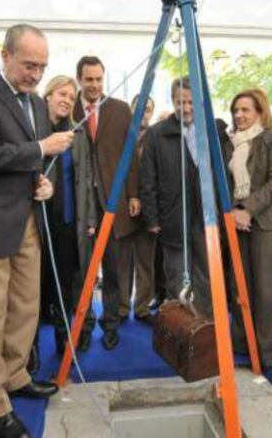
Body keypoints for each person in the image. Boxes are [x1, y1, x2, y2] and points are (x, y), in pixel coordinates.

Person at [0, 24, 74, 437]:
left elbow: (29, 163)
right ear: (5, 56)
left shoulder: (37, 105)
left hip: (27, 218)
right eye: (28, 65)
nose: (36, 75)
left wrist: (43, 181)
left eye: (42, 67)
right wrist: (42, 149)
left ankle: (14, 376)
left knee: (25, 306)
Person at [140, 76, 231, 318]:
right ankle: (180, 331)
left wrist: (224, 214)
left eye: (191, 102)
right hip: (173, 217)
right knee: (177, 277)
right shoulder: (156, 135)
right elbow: (147, 180)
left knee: (207, 276)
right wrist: (152, 219)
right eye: (181, 102)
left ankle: (205, 330)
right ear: (172, 101)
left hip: (206, 218)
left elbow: (224, 176)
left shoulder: (214, 132)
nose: (187, 108)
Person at [73, 55, 140, 350]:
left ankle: (110, 324)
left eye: (99, 79)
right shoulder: (68, 108)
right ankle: (83, 326)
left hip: (114, 202)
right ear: (79, 80)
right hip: (80, 206)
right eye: (89, 79)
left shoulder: (121, 110)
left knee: (114, 268)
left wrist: (134, 193)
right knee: (83, 270)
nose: (95, 85)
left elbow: (132, 156)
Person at [226, 89, 272, 370]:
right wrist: (234, 211)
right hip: (238, 220)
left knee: (267, 290)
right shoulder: (231, 143)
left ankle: (268, 353)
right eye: (236, 110)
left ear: (260, 112)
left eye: (246, 110)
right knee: (240, 285)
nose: (240, 115)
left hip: (267, 220)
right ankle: (242, 343)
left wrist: (248, 210)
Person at [40, 75, 98, 354]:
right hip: (36, 222)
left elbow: (85, 179)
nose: (66, 100)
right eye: (61, 94)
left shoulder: (78, 133)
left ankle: (69, 336)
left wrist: (89, 220)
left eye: (71, 97)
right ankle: (32, 348)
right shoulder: (32, 129)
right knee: (40, 287)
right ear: (48, 95)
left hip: (67, 220)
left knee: (69, 280)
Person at [117, 94, 158, 324]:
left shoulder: (155, 136)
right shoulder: (123, 135)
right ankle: (122, 306)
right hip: (124, 208)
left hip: (148, 210)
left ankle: (142, 307)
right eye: (140, 108)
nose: (144, 113)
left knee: (146, 261)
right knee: (122, 261)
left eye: (148, 109)